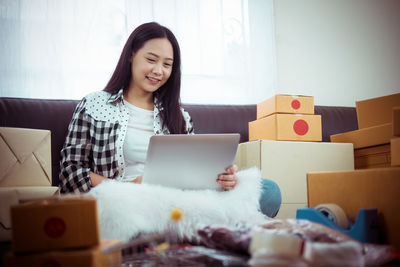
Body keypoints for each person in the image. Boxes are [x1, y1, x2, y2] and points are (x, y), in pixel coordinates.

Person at [59, 22, 281, 217]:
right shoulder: (95, 104)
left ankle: (183, 228)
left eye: (167, 64)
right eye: (151, 59)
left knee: (269, 191)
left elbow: (194, 175)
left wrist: (223, 180)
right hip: (123, 203)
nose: (158, 71)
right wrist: (128, 189)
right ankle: (195, 229)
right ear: (131, 55)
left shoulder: (179, 117)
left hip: (175, 202)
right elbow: (70, 173)